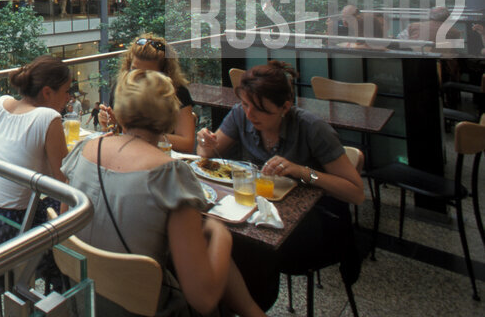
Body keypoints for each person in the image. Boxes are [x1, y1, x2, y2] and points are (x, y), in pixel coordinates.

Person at [63, 69, 265, 317]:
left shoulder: (82, 150)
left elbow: (66, 229)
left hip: (82, 299)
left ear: (120, 111)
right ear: (170, 119)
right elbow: (203, 299)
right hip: (148, 308)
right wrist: (222, 234)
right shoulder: (171, 176)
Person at [196, 60, 364, 309]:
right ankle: (233, 305)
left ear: (285, 107)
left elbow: (355, 192)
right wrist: (205, 146)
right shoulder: (241, 114)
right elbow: (208, 155)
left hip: (319, 219)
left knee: (248, 248)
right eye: (245, 104)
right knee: (221, 235)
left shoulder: (312, 128)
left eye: (261, 110)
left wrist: (304, 172)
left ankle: (249, 306)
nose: (250, 114)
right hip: (267, 213)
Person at [0, 55, 71, 253]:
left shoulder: (1, 103)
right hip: (13, 229)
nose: (69, 97)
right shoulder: (48, 117)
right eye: (66, 91)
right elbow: (64, 184)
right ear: (47, 92)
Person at [100, 34, 196, 153]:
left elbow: (187, 144)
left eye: (147, 74)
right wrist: (111, 125)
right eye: (134, 70)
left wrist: (143, 134)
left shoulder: (178, 92)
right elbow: (120, 134)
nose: (137, 78)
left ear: (164, 74)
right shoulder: (121, 88)